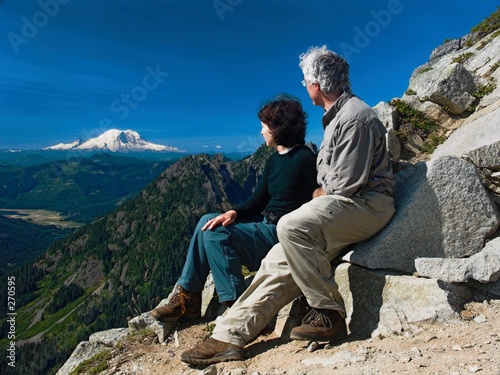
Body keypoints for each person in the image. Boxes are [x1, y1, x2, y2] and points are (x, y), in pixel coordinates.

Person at [180, 46, 396, 365]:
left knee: (291, 226)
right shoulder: (338, 118)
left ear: (316, 84)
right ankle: (229, 336)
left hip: (367, 205)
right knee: (279, 259)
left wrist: (318, 195)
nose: (304, 85)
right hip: (350, 208)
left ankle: (328, 312)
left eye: (305, 80)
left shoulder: (355, 117)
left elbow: (345, 185)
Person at [150, 96, 319, 323]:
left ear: (279, 128)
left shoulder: (305, 159)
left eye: (264, 126)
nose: (261, 132)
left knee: (216, 232)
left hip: (280, 235)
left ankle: (239, 306)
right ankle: (188, 297)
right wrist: (234, 213)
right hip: (265, 226)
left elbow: (320, 197)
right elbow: (258, 201)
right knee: (207, 221)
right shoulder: (274, 161)